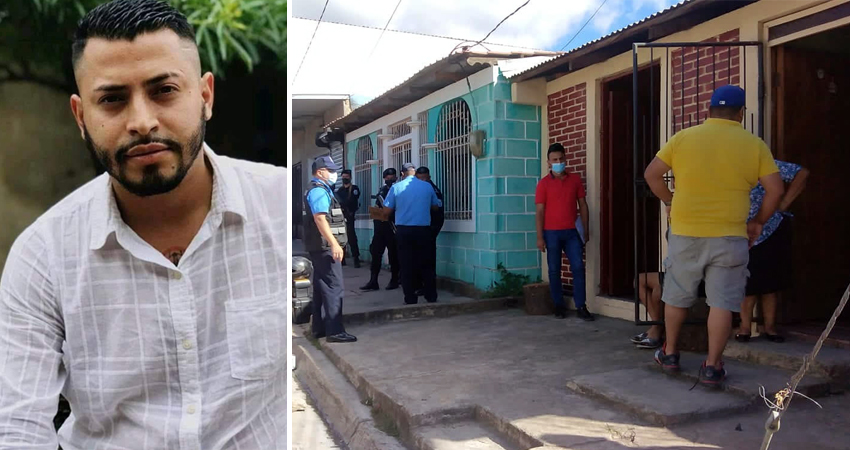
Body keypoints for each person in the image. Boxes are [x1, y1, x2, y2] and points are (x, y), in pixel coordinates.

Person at [0, 1, 287, 448]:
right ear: (80, 117)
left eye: (164, 90)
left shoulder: (280, 207)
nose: (142, 121)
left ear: (205, 97)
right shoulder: (43, 255)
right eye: (112, 99)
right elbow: (17, 426)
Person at [644, 84, 784, 388]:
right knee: (721, 303)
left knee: (677, 295)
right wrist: (758, 222)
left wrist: (669, 201)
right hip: (730, 235)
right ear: (740, 114)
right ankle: (712, 366)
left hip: (685, 231)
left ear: (708, 111)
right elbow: (776, 189)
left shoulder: (683, 138)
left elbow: (651, 175)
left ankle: (669, 353)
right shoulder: (754, 144)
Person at [736, 161, 809, 343]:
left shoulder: (763, 162)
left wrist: (783, 204)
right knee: (747, 282)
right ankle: (745, 327)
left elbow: (801, 173)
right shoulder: (726, 165)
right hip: (740, 232)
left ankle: (770, 327)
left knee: (771, 281)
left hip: (771, 228)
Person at [535, 143, 594, 321]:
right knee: (554, 270)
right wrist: (539, 237)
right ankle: (559, 305)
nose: (558, 162)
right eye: (555, 160)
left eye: (561, 159)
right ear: (548, 162)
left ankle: (581, 306)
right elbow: (539, 211)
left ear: (565, 159)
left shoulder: (575, 180)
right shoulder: (543, 184)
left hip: (572, 232)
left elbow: (583, 205)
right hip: (551, 233)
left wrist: (585, 229)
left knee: (578, 267)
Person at [304, 156, 358, 344]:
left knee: (321, 287)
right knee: (334, 287)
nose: (334, 174)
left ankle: (319, 328)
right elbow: (320, 218)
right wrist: (334, 243)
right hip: (325, 247)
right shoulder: (318, 191)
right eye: (331, 171)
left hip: (320, 247)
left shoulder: (320, 189)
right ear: (320, 172)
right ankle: (335, 331)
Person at [383, 163, 442, 304]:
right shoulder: (427, 186)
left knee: (406, 265)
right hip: (424, 230)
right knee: (427, 264)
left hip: (404, 231)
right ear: (414, 173)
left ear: (402, 174)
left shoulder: (396, 188)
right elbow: (435, 206)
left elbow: (386, 211)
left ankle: (410, 298)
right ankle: (431, 296)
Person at [361, 168, 401, 291]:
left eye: (392, 177)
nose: (390, 179)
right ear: (384, 178)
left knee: (393, 255)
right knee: (376, 253)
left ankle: (395, 279)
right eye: (388, 177)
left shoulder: (398, 190)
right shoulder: (382, 190)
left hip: (392, 227)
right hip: (380, 228)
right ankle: (373, 281)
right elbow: (379, 206)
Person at [414, 166, 444, 296]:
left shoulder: (433, 190)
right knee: (422, 257)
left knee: (428, 258)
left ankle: (429, 287)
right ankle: (423, 285)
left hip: (431, 227)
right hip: (425, 227)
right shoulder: (422, 189)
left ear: (429, 177)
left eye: (425, 178)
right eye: (420, 178)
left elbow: (437, 209)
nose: (423, 181)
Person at [335, 169, 362, 268]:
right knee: (341, 237)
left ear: (350, 177)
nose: (345, 179)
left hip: (350, 216)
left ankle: (356, 258)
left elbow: (353, 200)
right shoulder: (340, 190)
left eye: (346, 177)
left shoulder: (354, 188)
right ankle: (342, 259)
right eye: (343, 177)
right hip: (341, 216)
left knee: (352, 238)